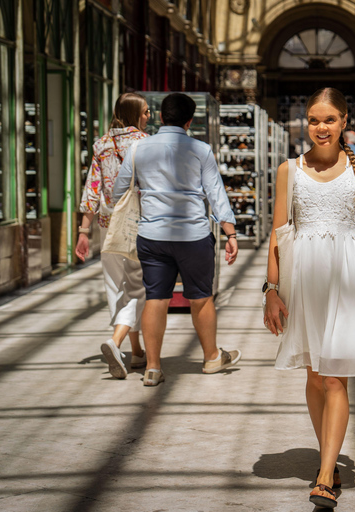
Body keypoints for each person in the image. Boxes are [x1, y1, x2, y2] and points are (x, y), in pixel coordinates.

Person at [263, 87, 355, 509]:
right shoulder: (288, 170)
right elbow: (278, 234)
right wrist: (271, 291)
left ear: (345, 121)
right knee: (313, 375)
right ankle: (329, 458)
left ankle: (326, 474)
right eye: (313, 120)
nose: (320, 127)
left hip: (345, 278)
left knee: (335, 376)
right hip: (303, 278)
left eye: (329, 119)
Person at [113, 93, 241, 387]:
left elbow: (118, 190)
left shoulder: (138, 148)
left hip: (151, 235)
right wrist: (230, 233)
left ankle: (154, 368)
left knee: (156, 299)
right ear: (189, 120)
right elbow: (216, 195)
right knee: (201, 296)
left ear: (160, 117)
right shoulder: (201, 149)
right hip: (192, 235)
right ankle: (211, 358)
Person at [76, 92, 150, 380]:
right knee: (139, 288)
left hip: (107, 226)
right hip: (138, 224)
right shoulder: (146, 144)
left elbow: (92, 189)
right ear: (134, 114)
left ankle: (137, 350)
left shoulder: (102, 145)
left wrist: (84, 231)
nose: (148, 116)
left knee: (115, 285)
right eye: (144, 112)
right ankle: (116, 342)